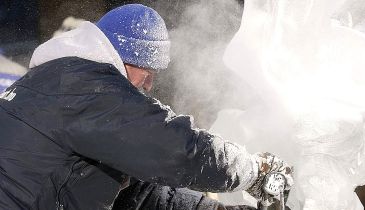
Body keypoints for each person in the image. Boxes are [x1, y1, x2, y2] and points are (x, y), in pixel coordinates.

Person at [0, 4, 293, 210]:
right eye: (148, 72)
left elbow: (130, 193)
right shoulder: (88, 87)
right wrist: (255, 171)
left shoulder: (56, 81)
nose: (149, 85)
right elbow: (177, 150)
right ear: (125, 57)